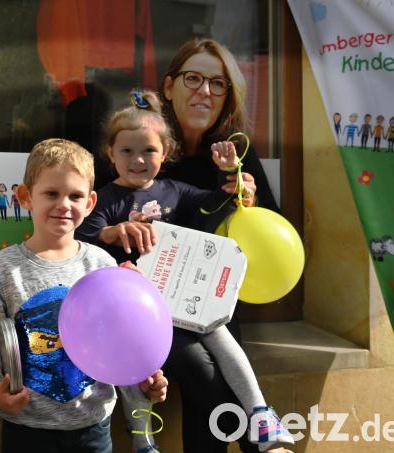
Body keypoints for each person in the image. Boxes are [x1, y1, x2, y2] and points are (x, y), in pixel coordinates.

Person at [75, 91, 294, 453]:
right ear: (110, 153)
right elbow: (81, 237)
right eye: (127, 151)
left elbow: (217, 204)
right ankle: (145, 443)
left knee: (224, 341)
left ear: (165, 154)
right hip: (139, 317)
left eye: (148, 151)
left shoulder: (175, 191)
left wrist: (231, 173)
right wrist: (110, 232)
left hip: (188, 303)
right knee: (187, 371)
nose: (138, 160)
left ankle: (260, 414)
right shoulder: (106, 199)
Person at [0, 138, 168, 453]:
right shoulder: (3, 269)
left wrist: (143, 376)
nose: (64, 205)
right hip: (27, 428)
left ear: (90, 203)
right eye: (51, 194)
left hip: (93, 427)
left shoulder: (101, 265)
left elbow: (121, 340)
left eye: (75, 195)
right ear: (25, 197)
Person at [157, 38, 284, 452]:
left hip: (215, 302)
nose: (204, 91)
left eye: (218, 84)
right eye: (193, 78)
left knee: (208, 407)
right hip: (155, 305)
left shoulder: (238, 153)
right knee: (213, 385)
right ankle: (264, 441)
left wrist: (249, 201)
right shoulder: (145, 148)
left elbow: (271, 230)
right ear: (168, 86)